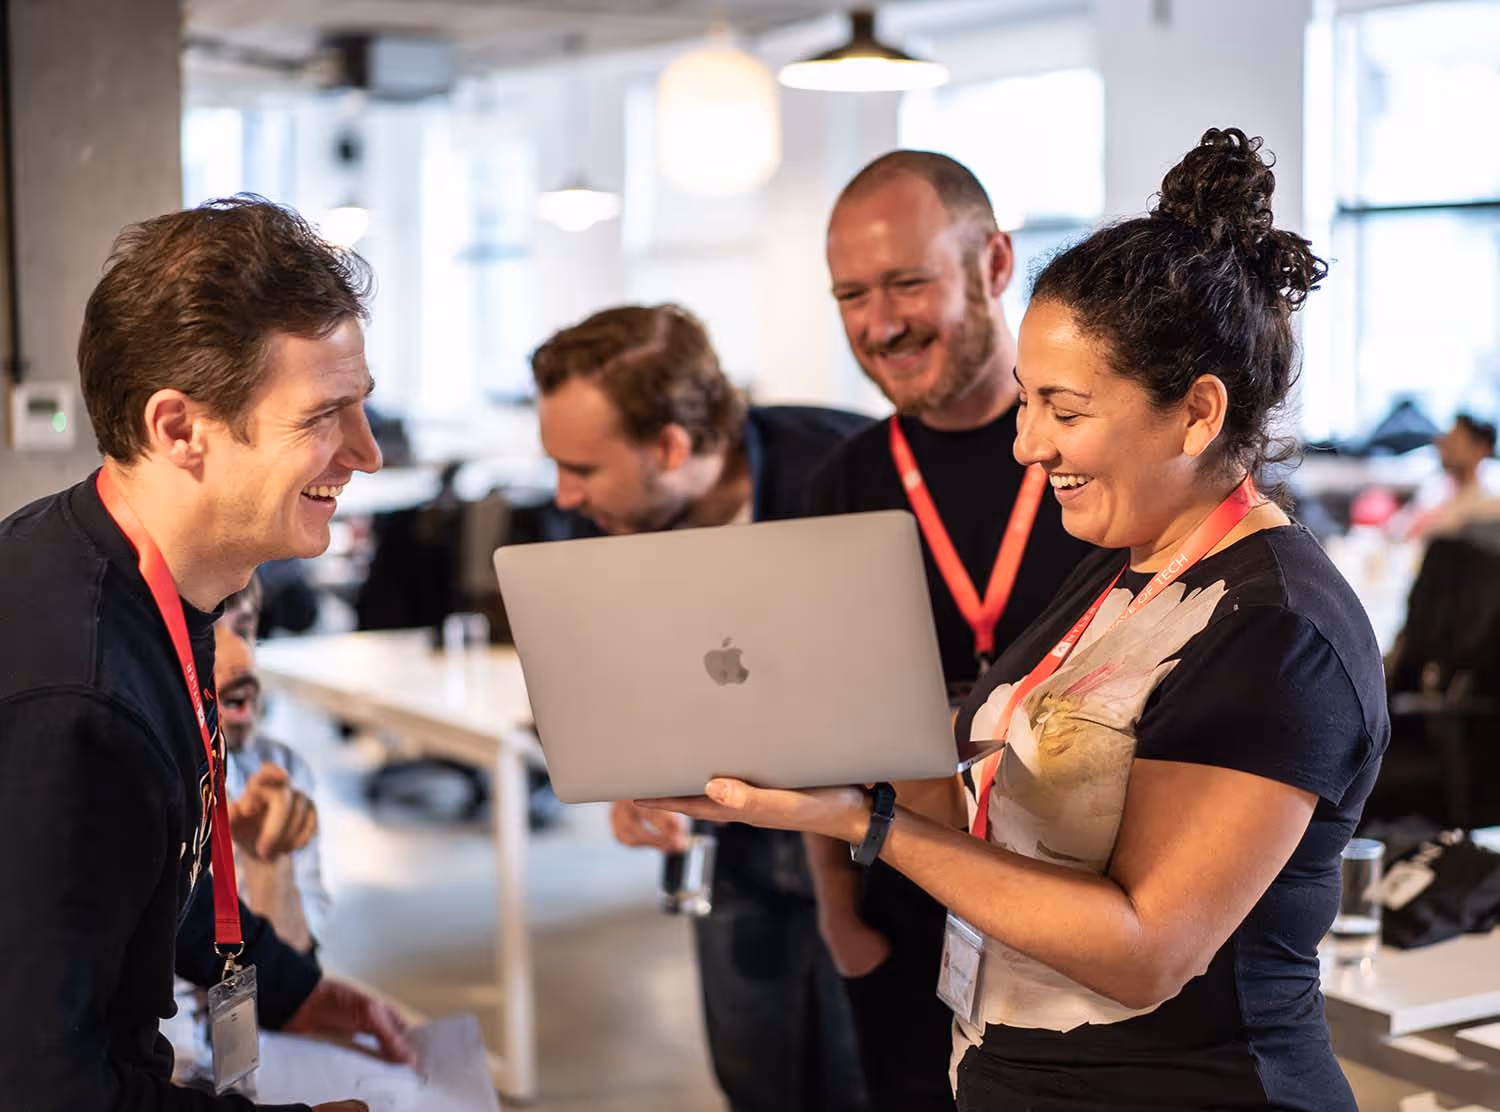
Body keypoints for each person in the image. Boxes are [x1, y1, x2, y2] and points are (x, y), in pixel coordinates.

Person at [645, 128, 1390, 1111]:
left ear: (1199, 412)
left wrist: (860, 820)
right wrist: (780, 744)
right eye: (1028, 403)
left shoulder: (1271, 627)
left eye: (1063, 409)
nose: (1028, 443)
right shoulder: (1116, 576)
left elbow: (1145, 951)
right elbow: (967, 801)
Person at [0, 195, 407, 1112]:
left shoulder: (137, 581)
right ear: (180, 430)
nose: (368, 454)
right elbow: (41, 1086)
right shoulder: (77, 702)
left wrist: (294, 990)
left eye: (363, 408)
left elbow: (151, 871)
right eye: (324, 416)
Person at [801, 150, 1094, 1112]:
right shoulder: (842, 481)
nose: (880, 322)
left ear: (996, 264)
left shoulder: (1091, 462)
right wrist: (839, 916)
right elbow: (816, 725)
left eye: (907, 282)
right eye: (851, 293)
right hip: (904, 909)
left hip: (1079, 916)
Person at [529, 303, 869, 1112]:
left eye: (582, 468)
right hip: (727, 847)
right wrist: (630, 774)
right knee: (753, 1077)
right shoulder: (608, 517)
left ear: (671, 447)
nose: (564, 494)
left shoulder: (843, 469)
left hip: (867, 838)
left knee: (869, 1076)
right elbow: (617, 671)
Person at [218, 577, 332, 954]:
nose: (243, 659)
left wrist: (268, 860)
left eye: (245, 630)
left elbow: (300, 957)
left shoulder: (280, 768)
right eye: (207, 636)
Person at [1397, 413, 1500, 540]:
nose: (1443, 445)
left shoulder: (1491, 503)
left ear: (1481, 449)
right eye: (1447, 438)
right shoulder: (1435, 486)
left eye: (1455, 440)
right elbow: (1400, 529)